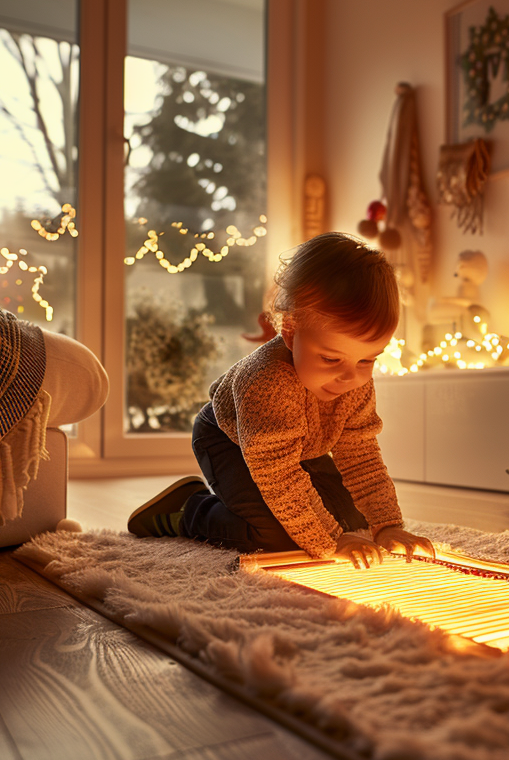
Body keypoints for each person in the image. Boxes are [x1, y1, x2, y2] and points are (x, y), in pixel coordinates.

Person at [128, 232, 435, 569]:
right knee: (283, 534)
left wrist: (387, 525)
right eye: (332, 359)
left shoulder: (352, 380)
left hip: (302, 445)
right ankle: (189, 509)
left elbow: (360, 456)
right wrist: (332, 540)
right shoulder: (267, 382)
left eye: (367, 360)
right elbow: (281, 478)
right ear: (290, 331)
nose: (352, 377)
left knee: (352, 519)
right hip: (229, 441)